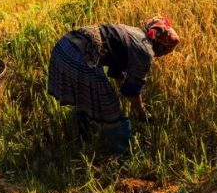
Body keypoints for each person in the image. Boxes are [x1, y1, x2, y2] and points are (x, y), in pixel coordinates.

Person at [47, 16, 179, 155]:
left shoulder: (133, 32)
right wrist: (141, 113)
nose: (162, 55)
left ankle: (83, 135)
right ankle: (124, 153)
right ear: (162, 47)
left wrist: (124, 91)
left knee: (86, 97)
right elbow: (133, 89)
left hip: (63, 47)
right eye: (166, 51)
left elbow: (117, 71)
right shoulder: (145, 52)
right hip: (80, 56)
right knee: (109, 107)